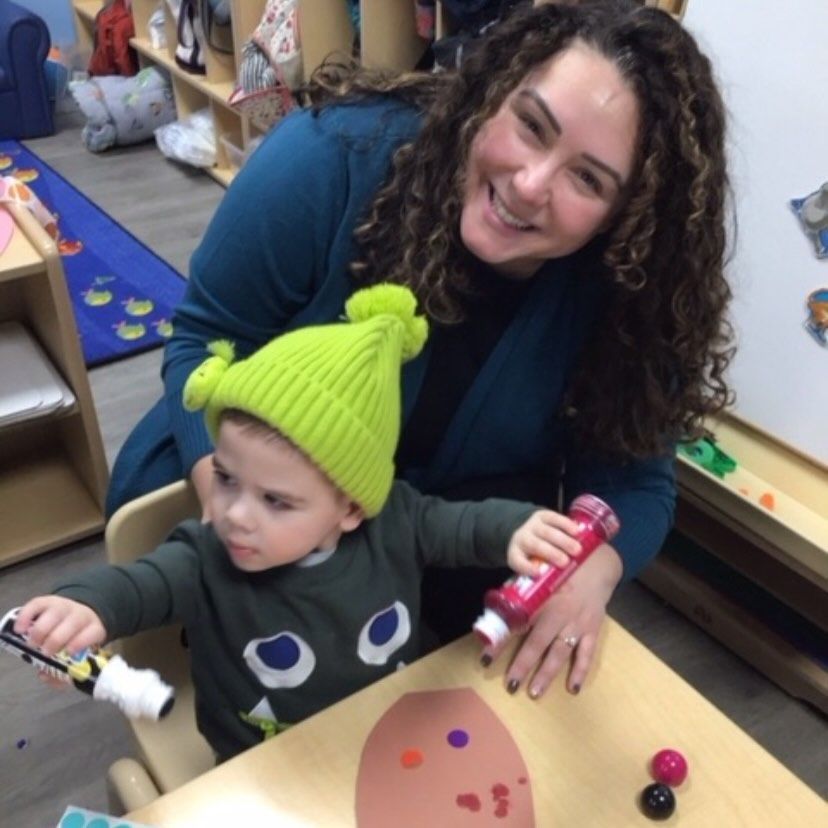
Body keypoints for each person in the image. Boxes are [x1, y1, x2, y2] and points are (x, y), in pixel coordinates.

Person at [105, 0, 733, 700]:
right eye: (530, 125)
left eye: (587, 179)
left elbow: (634, 482)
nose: (529, 186)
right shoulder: (333, 157)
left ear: (629, 218)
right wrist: (238, 508)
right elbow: (201, 337)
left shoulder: (626, 293)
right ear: (493, 92)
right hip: (247, 496)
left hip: (433, 546)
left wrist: (598, 567)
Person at [14, 285, 578, 761]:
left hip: (386, 730)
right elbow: (140, 585)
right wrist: (83, 605)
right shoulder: (208, 555)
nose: (233, 514)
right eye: (228, 478)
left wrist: (518, 530)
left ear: (352, 507)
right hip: (258, 755)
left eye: (276, 501)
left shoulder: (399, 521)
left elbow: (467, 527)